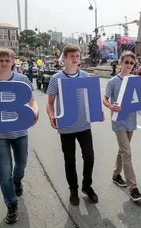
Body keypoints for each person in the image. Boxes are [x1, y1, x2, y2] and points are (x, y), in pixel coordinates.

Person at [0, 48, 39, 224]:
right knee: (4, 172)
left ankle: (18, 180)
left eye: (7, 60)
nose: (4, 63)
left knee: (21, 164)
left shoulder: (23, 80)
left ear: (13, 62)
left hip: (20, 131)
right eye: (1, 60)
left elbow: (32, 100)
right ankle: (11, 205)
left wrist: (36, 110)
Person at [46, 44, 98, 206]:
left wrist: (97, 111)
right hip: (66, 125)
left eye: (77, 56)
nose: (76, 59)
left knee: (89, 157)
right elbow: (50, 103)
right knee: (70, 161)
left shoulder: (85, 76)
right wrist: (51, 115)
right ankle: (73, 190)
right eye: (72, 56)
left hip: (84, 124)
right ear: (65, 58)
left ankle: (86, 186)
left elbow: (91, 99)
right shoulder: (56, 78)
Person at [103, 51, 141, 202]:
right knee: (127, 152)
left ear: (134, 66)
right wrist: (111, 106)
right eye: (126, 62)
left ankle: (115, 174)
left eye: (131, 63)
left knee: (122, 150)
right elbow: (105, 99)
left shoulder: (135, 81)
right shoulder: (113, 81)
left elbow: (139, 100)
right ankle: (133, 187)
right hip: (118, 120)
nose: (128, 65)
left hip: (131, 120)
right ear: (121, 62)